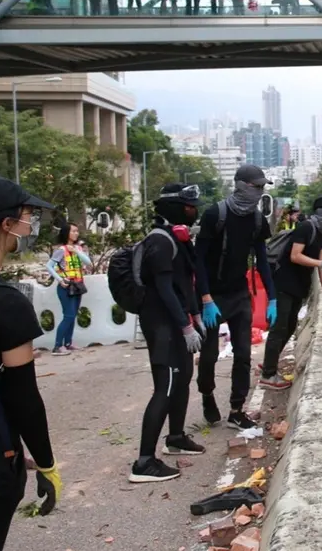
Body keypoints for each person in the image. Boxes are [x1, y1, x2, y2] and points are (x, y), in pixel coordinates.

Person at [0, 174, 60, 548]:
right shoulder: (4, 304)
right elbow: (21, 394)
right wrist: (46, 463)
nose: (30, 224)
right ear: (5, 225)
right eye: (26, 215)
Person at [130, 184, 206, 483]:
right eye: (188, 207)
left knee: (183, 376)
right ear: (174, 208)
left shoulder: (177, 239)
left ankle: (175, 437)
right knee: (166, 385)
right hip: (162, 324)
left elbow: (183, 284)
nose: (193, 211)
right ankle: (144, 461)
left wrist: (195, 316)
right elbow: (163, 288)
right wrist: (185, 326)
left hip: (177, 321)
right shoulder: (159, 242)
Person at [194, 165, 276, 430]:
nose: (259, 192)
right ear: (240, 185)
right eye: (256, 186)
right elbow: (199, 260)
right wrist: (206, 299)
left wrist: (272, 298)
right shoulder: (214, 214)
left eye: (262, 187)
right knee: (209, 356)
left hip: (239, 294)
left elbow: (263, 261)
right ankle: (207, 393)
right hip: (212, 295)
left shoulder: (257, 219)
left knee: (243, 354)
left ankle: (236, 409)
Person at [261, 196, 322, 390]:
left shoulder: (320, 233)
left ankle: (269, 362)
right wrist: (321, 263)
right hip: (284, 284)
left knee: (289, 327)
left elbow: (321, 261)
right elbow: (295, 256)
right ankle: (268, 375)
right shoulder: (306, 228)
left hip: (299, 286)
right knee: (279, 327)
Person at [46, 222, 92, 356]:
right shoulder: (61, 250)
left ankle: (68, 343)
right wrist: (60, 280)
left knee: (72, 316)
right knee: (68, 316)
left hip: (78, 285)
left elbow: (88, 262)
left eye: (77, 231)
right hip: (66, 287)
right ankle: (57, 346)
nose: (76, 233)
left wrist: (76, 251)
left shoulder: (77, 249)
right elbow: (49, 266)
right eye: (73, 231)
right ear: (66, 233)